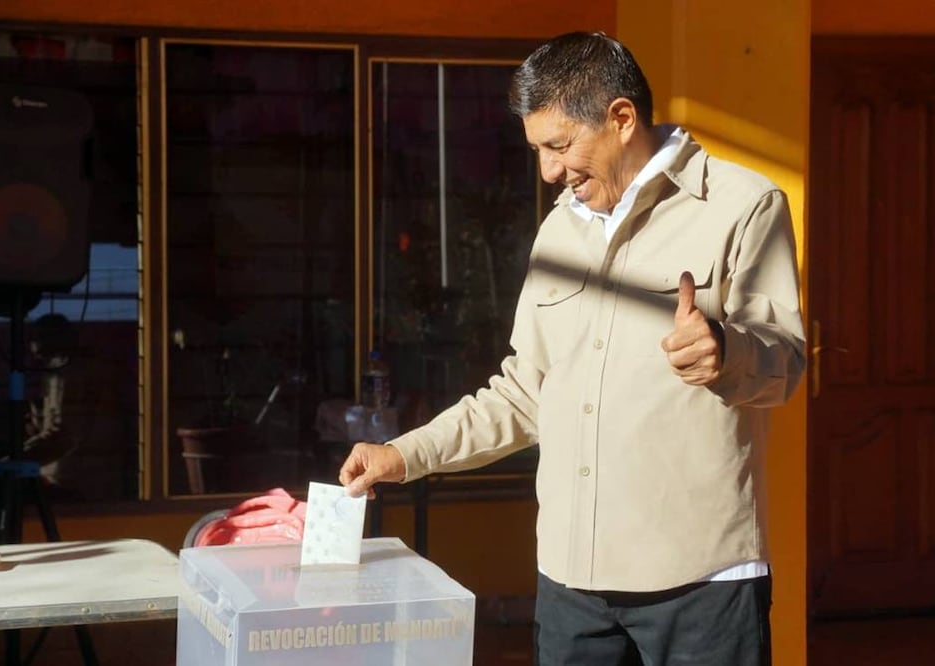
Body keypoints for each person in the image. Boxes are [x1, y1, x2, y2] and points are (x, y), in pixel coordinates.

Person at [340, 31, 805, 666]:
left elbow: (785, 363)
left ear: (620, 118)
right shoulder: (559, 230)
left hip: (701, 584)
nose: (549, 171)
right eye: (537, 150)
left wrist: (727, 351)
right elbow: (522, 392)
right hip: (571, 583)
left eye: (559, 146)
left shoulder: (743, 206)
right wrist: (404, 454)